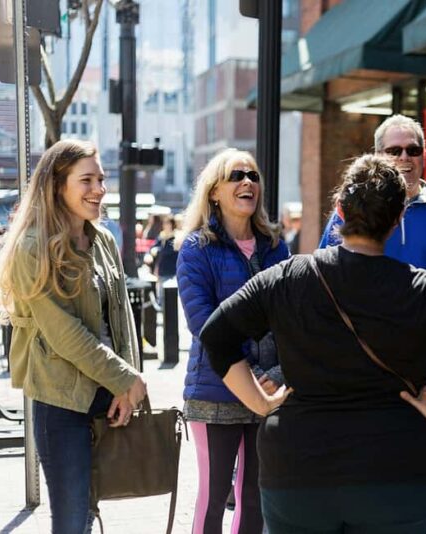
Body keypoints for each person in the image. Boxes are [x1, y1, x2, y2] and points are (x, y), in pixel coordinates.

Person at [199, 154, 426, 533]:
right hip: (400, 472)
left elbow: (216, 335)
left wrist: (258, 402)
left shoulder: (288, 278)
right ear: (398, 218)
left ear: (340, 212)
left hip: (300, 471)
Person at [319, 114, 426, 534]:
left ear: (425, 156)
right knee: (374, 450)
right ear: (377, 155)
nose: (405, 158)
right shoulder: (349, 214)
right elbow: (327, 274)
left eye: (413, 149)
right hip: (369, 359)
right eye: (394, 150)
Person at [0, 139, 147, 533]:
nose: (99, 188)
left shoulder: (104, 241)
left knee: (91, 511)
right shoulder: (32, 247)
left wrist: (126, 385)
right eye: (87, 180)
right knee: (70, 520)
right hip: (59, 400)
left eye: (101, 178)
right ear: (57, 186)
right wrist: (125, 378)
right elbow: (66, 335)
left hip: (107, 394)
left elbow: (121, 320)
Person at [175, 148, 289, 534]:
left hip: (270, 391)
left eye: (253, 176)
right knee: (212, 498)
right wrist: (251, 373)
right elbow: (203, 324)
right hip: (215, 392)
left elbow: (291, 317)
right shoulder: (196, 249)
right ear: (214, 192)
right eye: (236, 175)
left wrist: (275, 372)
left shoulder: (276, 246)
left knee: (256, 498)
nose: (247, 182)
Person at [148, 214, 178, 303]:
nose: (166, 226)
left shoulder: (174, 237)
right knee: (161, 296)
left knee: (170, 297)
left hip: (171, 271)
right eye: (165, 223)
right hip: (162, 270)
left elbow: (168, 251)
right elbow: (152, 247)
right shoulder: (162, 236)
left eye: (168, 223)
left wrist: (156, 251)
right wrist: (150, 253)